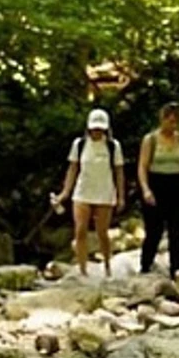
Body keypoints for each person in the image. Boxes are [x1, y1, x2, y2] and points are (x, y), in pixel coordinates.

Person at [53, 108, 126, 276]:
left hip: (104, 192)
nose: (96, 132)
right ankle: (82, 269)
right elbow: (72, 169)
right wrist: (65, 192)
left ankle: (108, 266)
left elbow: (119, 172)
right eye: (94, 129)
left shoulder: (113, 146)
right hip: (82, 191)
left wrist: (121, 197)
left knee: (102, 232)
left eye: (100, 129)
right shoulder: (79, 145)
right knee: (80, 230)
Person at [137, 102, 179, 279]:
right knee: (154, 229)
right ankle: (146, 264)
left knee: (176, 229)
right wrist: (146, 189)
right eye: (169, 121)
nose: (173, 124)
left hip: (176, 184)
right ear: (162, 120)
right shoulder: (151, 140)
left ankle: (176, 268)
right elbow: (142, 166)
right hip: (156, 182)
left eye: (175, 121)